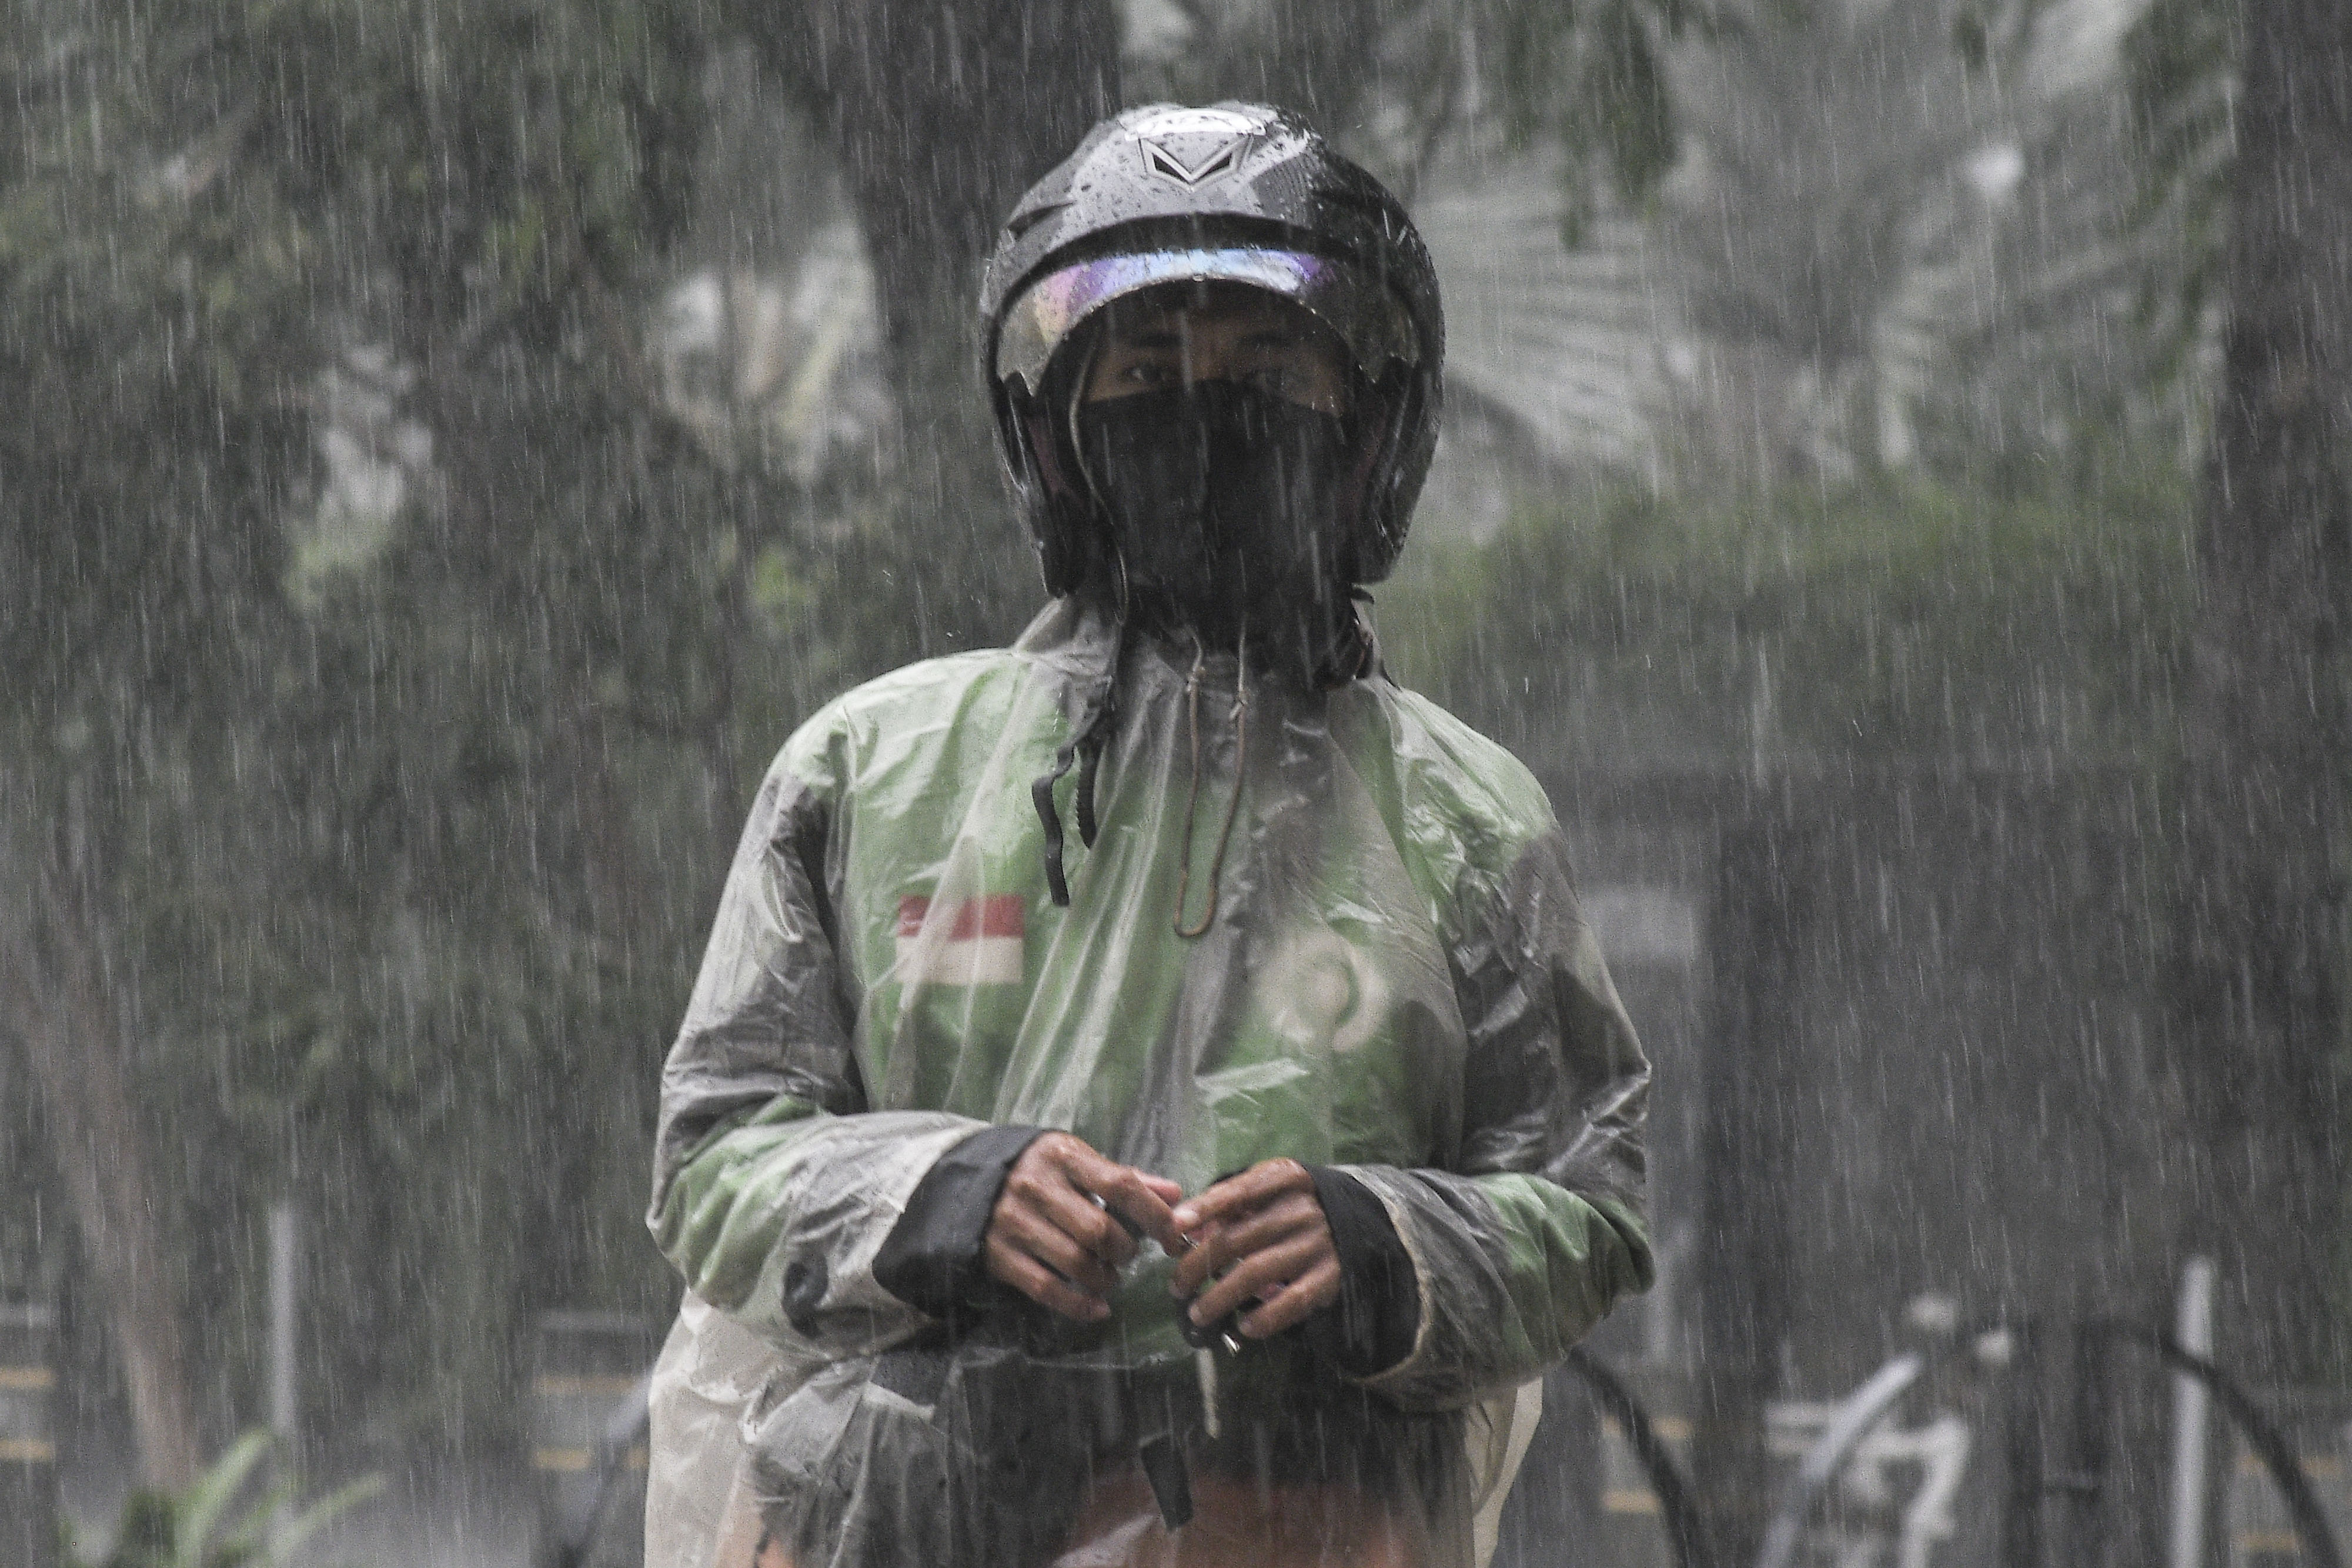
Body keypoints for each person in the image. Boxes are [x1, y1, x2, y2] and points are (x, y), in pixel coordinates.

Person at [642, 102, 1653, 1568]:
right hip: (892, 1529)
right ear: (1057, 434)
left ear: (1369, 425)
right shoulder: (870, 773)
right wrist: (942, 1195)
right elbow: (713, 1159)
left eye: (1265, 366)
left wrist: (1375, 1241)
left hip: (1298, 1525)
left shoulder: (1460, 814)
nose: (1205, 409)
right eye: (1144, 370)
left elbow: (1589, 1196)